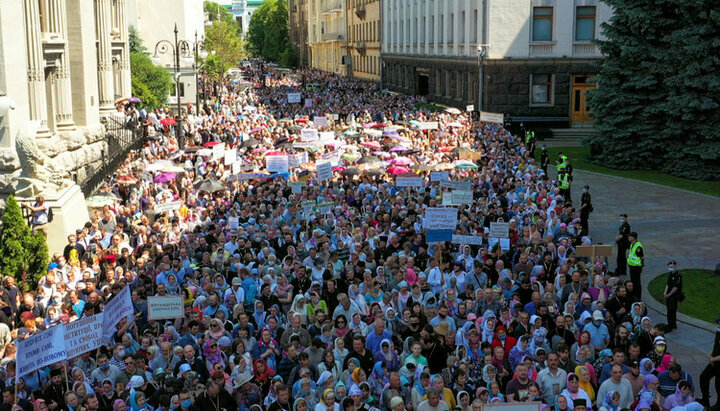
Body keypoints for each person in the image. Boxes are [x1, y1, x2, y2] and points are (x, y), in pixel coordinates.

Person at [698, 318, 720, 409]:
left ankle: (718, 406)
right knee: (704, 377)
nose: (717, 326)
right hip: (714, 362)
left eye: (719, 324)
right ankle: (705, 399)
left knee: (718, 385)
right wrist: (710, 353)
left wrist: (713, 359)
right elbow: (716, 345)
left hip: (717, 362)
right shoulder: (718, 332)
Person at [663, 261, 682, 332]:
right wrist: (665, 292)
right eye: (669, 267)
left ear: (675, 267)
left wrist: (669, 294)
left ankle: (670, 325)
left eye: (672, 267)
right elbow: (668, 284)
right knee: (669, 310)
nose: (670, 268)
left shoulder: (678, 276)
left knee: (671, 311)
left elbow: (675, 287)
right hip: (669, 296)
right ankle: (673, 324)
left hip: (673, 296)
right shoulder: (670, 274)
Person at [626, 232, 644, 299]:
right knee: (633, 281)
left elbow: (642, 257)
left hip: (636, 267)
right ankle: (634, 294)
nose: (628, 238)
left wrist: (642, 264)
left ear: (633, 237)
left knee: (637, 283)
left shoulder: (638, 246)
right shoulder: (632, 244)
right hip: (632, 266)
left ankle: (638, 296)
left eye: (629, 236)